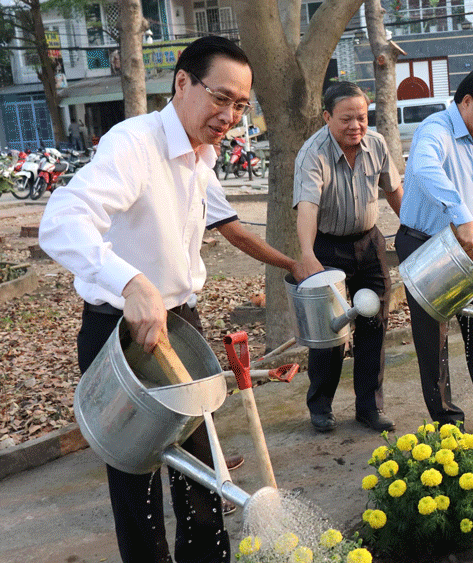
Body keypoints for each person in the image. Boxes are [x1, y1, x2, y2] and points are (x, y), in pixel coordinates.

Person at [38, 35, 308, 563]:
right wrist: (130, 282)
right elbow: (62, 220)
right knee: (135, 480)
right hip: (120, 331)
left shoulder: (201, 156)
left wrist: (290, 263)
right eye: (220, 97)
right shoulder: (133, 144)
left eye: (240, 105)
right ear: (182, 82)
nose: (229, 114)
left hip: (179, 326)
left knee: (201, 467)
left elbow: (227, 224)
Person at [395, 66, 473, 425]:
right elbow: (424, 167)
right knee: (434, 341)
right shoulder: (435, 130)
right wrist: (462, 216)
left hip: (461, 248)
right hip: (424, 246)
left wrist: (469, 227)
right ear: (467, 101)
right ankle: (449, 423)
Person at [293, 81, 402, 433]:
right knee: (331, 333)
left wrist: (416, 230)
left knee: (374, 324)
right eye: (346, 119)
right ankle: (321, 407)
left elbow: (395, 191)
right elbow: (307, 207)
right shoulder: (313, 154)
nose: (356, 126)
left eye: (362, 117)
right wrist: (308, 255)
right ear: (327, 117)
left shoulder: (377, 144)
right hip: (328, 248)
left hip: (369, 244)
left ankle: (369, 407)